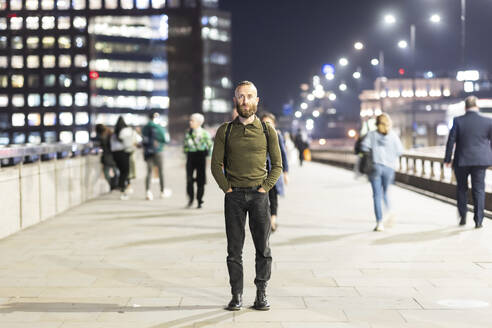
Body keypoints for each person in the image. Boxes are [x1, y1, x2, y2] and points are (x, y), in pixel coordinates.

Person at [211, 81, 282, 311]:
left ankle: (261, 293)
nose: (245, 101)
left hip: (259, 196)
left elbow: (277, 165)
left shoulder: (267, 130)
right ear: (236, 100)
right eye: (241, 96)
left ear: (257, 100)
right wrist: (227, 188)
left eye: (249, 96)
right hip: (234, 197)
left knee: (263, 248)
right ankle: (237, 295)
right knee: (234, 250)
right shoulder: (226, 130)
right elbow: (215, 165)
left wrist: (265, 188)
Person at [444, 96, 492, 229]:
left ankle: (463, 217)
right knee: (479, 190)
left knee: (461, 189)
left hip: (462, 160)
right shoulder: (488, 121)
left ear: (465, 107)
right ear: (477, 106)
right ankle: (478, 220)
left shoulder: (458, 121)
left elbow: (451, 141)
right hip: (480, 161)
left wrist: (447, 159)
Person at [361, 113, 403, 232]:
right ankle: (389, 210)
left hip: (375, 167)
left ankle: (379, 223)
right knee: (384, 193)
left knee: (376, 195)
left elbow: (364, 147)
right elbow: (400, 151)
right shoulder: (393, 136)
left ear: (377, 124)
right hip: (389, 168)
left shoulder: (372, 135)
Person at [260, 112, 289, 232]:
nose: (267, 125)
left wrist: (286, 172)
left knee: (273, 197)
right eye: (264, 122)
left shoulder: (277, 135)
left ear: (274, 124)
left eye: (269, 123)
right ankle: (266, 220)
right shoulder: (257, 135)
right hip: (260, 172)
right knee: (262, 198)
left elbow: (283, 154)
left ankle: (273, 220)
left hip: (274, 171)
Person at [184, 113, 213, 208]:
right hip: (190, 157)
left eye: (192, 120)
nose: (190, 122)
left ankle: (200, 200)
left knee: (201, 179)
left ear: (199, 122)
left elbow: (210, 146)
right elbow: (185, 146)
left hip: (201, 157)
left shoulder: (205, 133)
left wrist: (210, 157)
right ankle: (191, 199)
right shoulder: (188, 133)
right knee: (189, 179)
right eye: (190, 120)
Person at [111, 116, 142, 200]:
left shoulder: (114, 133)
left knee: (121, 171)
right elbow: (132, 142)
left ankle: (122, 187)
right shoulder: (126, 131)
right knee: (125, 172)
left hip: (115, 154)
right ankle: (123, 189)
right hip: (124, 153)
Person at [142, 112, 170, 201]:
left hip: (148, 152)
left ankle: (148, 192)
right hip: (158, 151)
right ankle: (162, 191)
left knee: (148, 172)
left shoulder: (145, 127)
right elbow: (165, 139)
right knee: (160, 172)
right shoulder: (159, 127)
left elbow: (143, 140)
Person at [95, 124, 118, 191]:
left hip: (110, 156)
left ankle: (114, 185)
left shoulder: (109, 135)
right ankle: (113, 185)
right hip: (110, 156)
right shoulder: (109, 135)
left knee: (112, 171)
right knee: (111, 172)